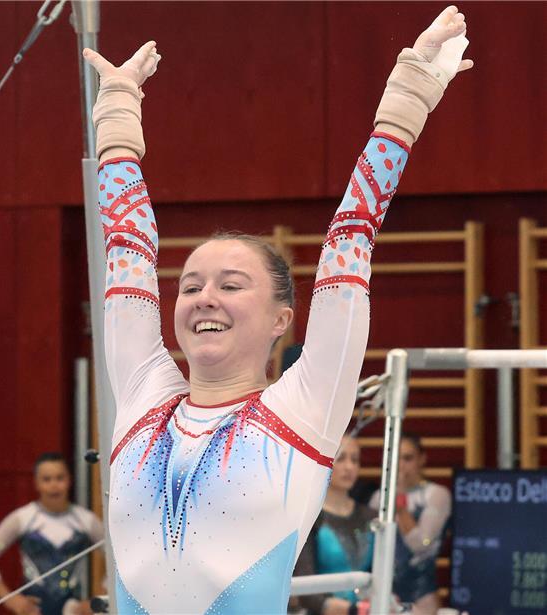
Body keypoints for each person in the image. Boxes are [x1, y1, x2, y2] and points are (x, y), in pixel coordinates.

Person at [82, 5, 472, 613]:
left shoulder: (304, 409)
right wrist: (117, 112)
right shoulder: (143, 396)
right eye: (189, 286)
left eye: (231, 285)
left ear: (281, 320)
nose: (204, 296)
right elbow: (128, 249)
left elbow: (352, 238)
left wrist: (409, 94)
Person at [0, 453, 104, 615]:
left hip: (72, 609)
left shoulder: (85, 520)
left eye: (59, 478)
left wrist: (99, 598)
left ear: (69, 480)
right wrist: (10, 599)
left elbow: (118, 559)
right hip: (34, 609)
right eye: (46, 479)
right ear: (36, 483)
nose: (54, 485)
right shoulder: (22, 518)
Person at [369, 434, 452, 614]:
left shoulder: (436, 495)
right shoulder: (378, 498)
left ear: (422, 459)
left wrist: (399, 501)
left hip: (422, 596)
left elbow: (421, 544)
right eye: (395, 458)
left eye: (407, 458)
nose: (401, 465)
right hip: (386, 596)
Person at [294, 435, 375, 615]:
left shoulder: (370, 517)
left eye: (355, 460)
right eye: (341, 458)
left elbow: (385, 575)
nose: (349, 467)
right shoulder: (310, 517)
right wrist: (352, 610)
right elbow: (305, 589)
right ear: (326, 462)